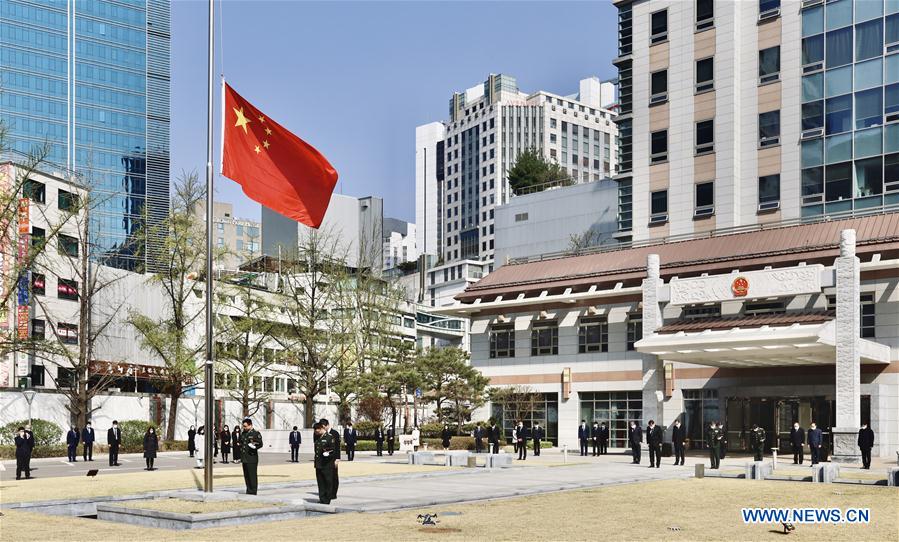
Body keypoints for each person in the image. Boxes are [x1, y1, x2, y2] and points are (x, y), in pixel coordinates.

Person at [313, 423, 336, 504]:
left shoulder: (330, 437)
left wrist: (328, 454)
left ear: (322, 428)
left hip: (327, 464)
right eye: (315, 430)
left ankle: (327, 499)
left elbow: (333, 450)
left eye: (317, 429)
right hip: (319, 464)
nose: (316, 431)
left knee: (328, 482)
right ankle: (322, 498)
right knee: (320, 482)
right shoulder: (317, 437)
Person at [239, 418, 263, 495]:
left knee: (252, 475)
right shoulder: (243, 433)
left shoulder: (255, 433)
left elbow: (260, 444)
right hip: (244, 458)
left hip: (251, 458)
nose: (244, 428)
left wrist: (254, 447)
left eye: (245, 426)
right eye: (243, 426)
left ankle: (253, 491)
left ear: (250, 425)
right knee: (246, 475)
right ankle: (248, 490)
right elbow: (241, 443)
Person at [321, 419, 340, 500]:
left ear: (327, 425)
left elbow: (337, 447)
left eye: (324, 427)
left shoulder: (334, 433)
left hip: (333, 458)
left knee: (334, 476)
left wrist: (337, 458)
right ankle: (327, 492)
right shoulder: (321, 434)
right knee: (325, 476)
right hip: (324, 458)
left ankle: (333, 493)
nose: (323, 429)